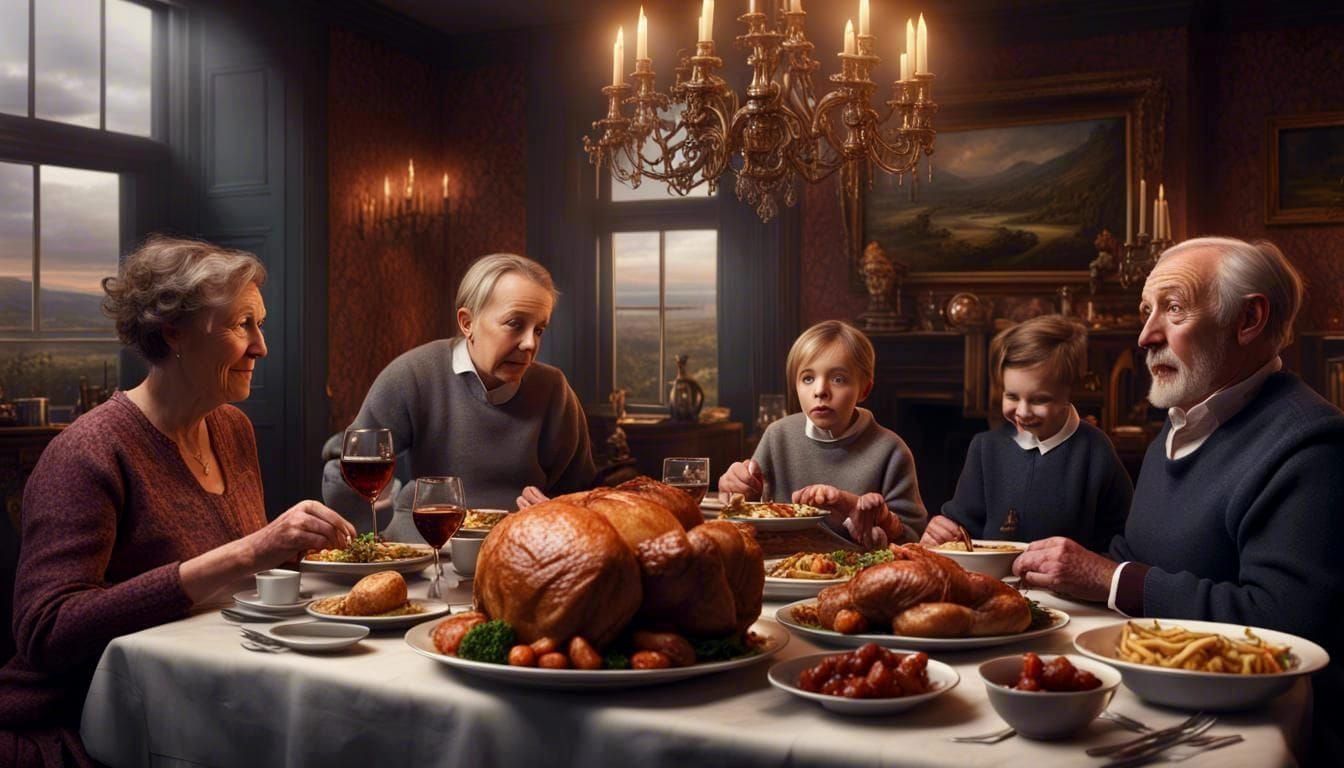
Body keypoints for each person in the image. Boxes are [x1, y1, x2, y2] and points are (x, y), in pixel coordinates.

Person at [0, 235, 355, 768]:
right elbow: (47, 632)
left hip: (202, 695)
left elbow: (240, 584)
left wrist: (303, 548)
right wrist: (250, 551)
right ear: (173, 333)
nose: (261, 346)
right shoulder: (86, 452)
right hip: (81, 724)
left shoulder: (231, 428)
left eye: (261, 324)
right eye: (242, 326)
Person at [1010, 237, 1344, 763]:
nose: (1145, 336)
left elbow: (1286, 622)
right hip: (1155, 695)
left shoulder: (1309, 442)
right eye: (1148, 312)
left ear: (1248, 319)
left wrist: (1110, 578)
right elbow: (1136, 548)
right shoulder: (1183, 421)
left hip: (1244, 728)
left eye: (1173, 309)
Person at [322, 253, 594, 524]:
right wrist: (387, 513)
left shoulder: (553, 390)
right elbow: (347, 468)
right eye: (515, 324)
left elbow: (583, 498)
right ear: (467, 323)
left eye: (539, 330)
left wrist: (559, 512)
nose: (529, 344)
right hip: (427, 543)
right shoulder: (413, 373)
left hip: (520, 548)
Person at [921, 315, 1132, 552]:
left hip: (1064, 588)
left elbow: (1122, 539)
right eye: (1011, 396)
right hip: (994, 584)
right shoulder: (985, 447)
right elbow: (962, 529)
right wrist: (941, 532)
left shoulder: (1095, 450)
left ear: (1070, 392)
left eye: (1039, 399)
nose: (1022, 412)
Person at [717, 320, 927, 547]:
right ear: (795, 385)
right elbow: (750, 515)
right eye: (808, 378)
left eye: (838, 379)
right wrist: (735, 490)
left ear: (864, 389)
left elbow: (912, 540)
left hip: (857, 572)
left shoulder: (891, 450)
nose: (820, 391)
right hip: (779, 567)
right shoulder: (777, 435)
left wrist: (873, 516)